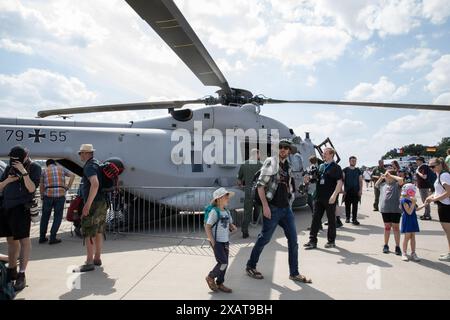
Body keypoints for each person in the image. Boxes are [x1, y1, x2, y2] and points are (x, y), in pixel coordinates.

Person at [246, 139, 311, 283]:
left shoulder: (288, 165)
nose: (283, 149)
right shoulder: (271, 162)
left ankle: (294, 273)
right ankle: (251, 266)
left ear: (289, 151)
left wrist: (290, 197)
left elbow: (287, 185)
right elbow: (260, 185)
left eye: (286, 148)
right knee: (264, 239)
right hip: (273, 208)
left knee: (293, 241)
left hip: (286, 209)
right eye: (280, 147)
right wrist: (265, 206)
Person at [0, 145, 41, 291]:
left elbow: (31, 188)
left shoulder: (34, 167)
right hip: (6, 208)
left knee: (24, 240)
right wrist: (8, 181)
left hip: (21, 209)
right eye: (13, 160)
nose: (15, 162)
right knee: (11, 240)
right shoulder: (9, 167)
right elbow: (0, 187)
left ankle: (22, 275)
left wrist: (24, 172)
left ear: (26, 155)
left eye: (18, 160)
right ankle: (12, 270)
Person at [73, 144, 108, 273]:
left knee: (88, 232)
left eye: (81, 153)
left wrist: (87, 204)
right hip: (102, 202)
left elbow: (95, 184)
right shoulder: (97, 164)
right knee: (98, 231)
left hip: (93, 203)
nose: (80, 155)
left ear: (87, 153)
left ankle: (89, 262)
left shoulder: (89, 166)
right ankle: (97, 258)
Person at [304, 147, 343, 250]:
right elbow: (316, 179)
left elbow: (339, 182)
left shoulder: (336, 167)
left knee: (331, 220)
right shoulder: (321, 166)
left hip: (330, 198)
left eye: (325, 153)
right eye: (323, 153)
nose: (323, 155)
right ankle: (312, 241)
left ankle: (331, 241)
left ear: (331, 155)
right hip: (319, 197)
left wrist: (334, 195)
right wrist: (308, 179)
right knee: (315, 219)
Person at [204, 188, 237, 293]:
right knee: (222, 262)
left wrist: (233, 227)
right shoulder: (214, 212)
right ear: (218, 199)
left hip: (225, 241)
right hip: (217, 242)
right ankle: (210, 277)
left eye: (228, 196)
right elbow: (207, 226)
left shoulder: (226, 211)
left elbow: (229, 223)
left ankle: (220, 283)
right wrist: (212, 240)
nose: (228, 198)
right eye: (225, 196)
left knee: (225, 263)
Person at [39, 159, 75, 245]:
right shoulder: (61, 168)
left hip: (48, 194)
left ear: (47, 165)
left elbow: (41, 185)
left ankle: (42, 237)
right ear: (55, 163)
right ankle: (53, 237)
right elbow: (72, 176)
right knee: (58, 216)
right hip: (60, 194)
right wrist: (67, 187)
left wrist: (41, 195)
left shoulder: (44, 171)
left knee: (45, 217)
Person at [425, 158, 450, 261]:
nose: (431, 168)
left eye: (433, 166)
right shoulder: (440, 174)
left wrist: (435, 198)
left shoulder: (443, 175)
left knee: (448, 231)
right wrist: (431, 197)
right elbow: (440, 191)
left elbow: (448, 192)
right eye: (430, 166)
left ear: (440, 164)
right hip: (444, 205)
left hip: (446, 206)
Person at [375, 170, 404, 256]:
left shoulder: (396, 185)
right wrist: (382, 177)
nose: (386, 177)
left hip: (396, 209)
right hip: (385, 209)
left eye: (388, 175)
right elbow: (376, 185)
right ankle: (386, 245)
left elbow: (401, 180)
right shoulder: (383, 185)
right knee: (387, 227)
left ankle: (397, 246)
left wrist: (391, 175)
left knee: (395, 228)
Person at [237, 148, 262, 238]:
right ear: (257, 154)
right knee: (260, 209)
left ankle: (244, 231)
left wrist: (241, 185)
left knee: (247, 211)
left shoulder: (244, 164)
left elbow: (239, 180)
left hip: (248, 191)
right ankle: (263, 231)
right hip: (259, 190)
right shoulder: (261, 164)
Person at [400, 183, 421, 262]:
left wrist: (424, 204)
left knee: (413, 237)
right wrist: (413, 203)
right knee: (407, 237)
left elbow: (416, 209)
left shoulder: (411, 199)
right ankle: (404, 253)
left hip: (413, 219)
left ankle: (413, 253)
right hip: (407, 219)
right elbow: (409, 212)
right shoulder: (404, 200)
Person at [304, 156, 323, 231]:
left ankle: (316, 226)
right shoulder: (320, 168)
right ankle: (319, 225)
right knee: (315, 210)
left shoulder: (311, 168)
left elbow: (307, 179)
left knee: (314, 210)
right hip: (317, 190)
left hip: (312, 191)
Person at [342, 156, 363, 225]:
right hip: (347, 191)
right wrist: (341, 189)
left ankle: (354, 219)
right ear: (349, 161)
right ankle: (347, 218)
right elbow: (342, 180)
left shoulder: (358, 170)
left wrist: (360, 190)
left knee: (355, 206)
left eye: (355, 161)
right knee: (347, 205)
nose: (354, 162)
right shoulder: (345, 170)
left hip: (356, 191)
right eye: (352, 160)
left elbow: (360, 181)